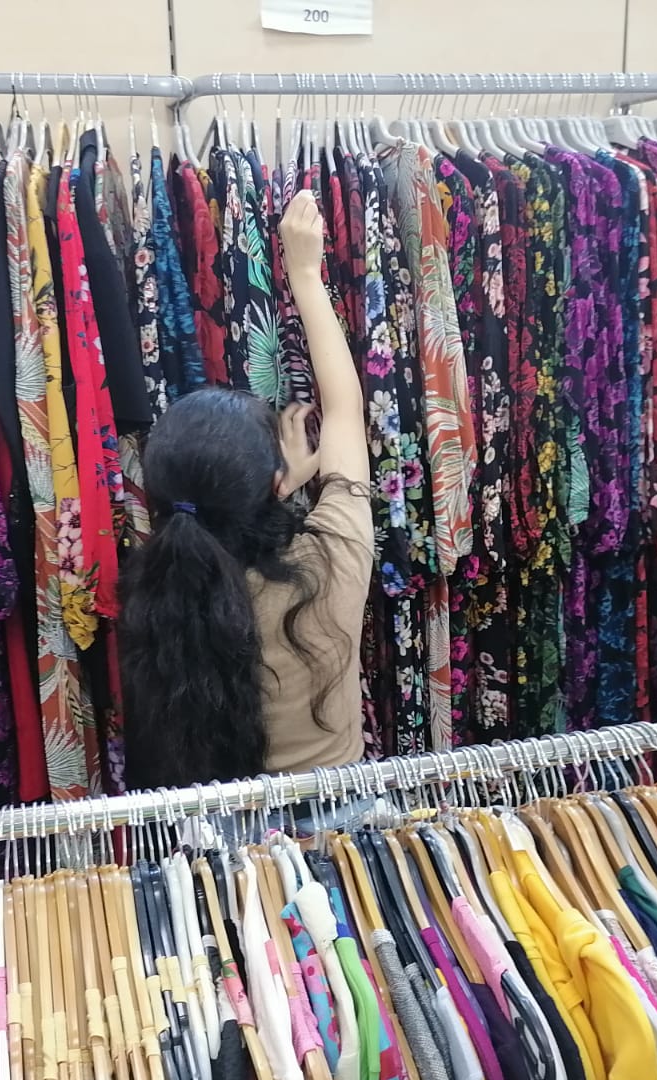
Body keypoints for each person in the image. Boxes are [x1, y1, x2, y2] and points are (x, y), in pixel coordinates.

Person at [118, 190, 372, 789]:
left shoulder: (154, 589)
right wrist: (304, 273)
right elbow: (344, 412)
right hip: (337, 823)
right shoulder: (331, 560)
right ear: (274, 484)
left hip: (209, 831)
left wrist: (279, 482)